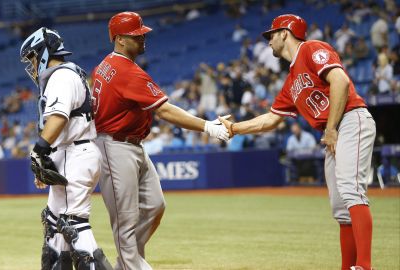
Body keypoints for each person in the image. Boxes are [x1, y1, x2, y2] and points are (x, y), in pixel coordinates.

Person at [219, 14, 376, 270]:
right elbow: (271, 119)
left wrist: (333, 129)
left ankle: (365, 266)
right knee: (340, 207)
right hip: (333, 129)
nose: (269, 41)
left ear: (285, 33)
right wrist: (235, 128)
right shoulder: (291, 80)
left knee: (351, 191)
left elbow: (341, 81)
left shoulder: (312, 48)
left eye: (272, 34)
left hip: (350, 119)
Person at [92, 11, 229, 270]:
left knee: (155, 206)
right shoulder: (125, 71)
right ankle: (132, 262)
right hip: (114, 145)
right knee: (125, 222)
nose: (143, 38)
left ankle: (128, 261)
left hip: (132, 144)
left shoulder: (105, 64)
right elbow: (164, 110)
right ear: (120, 39)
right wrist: (208, 127)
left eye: (142, 34)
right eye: (137, 35)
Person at [19, 27, 113, 270]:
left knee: (74, 224)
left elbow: (59, 118)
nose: (31, 63)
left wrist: (39, 150)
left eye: (32, 57)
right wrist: (48, 157)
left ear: (43, 51)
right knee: (53, 223)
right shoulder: (61, 76)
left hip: (77, 153)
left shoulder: (61, 76)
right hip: (67, 152)